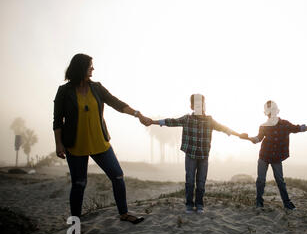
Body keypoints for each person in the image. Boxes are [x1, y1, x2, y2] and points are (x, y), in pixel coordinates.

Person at [53, 53, 148, 224]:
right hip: (76, 145)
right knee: (79, 184)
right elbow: (57, 120)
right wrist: (59, 144)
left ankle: (124, 213)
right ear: (81, 68)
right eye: (90, 65)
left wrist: (137, 114)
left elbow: (115, 102)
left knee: (118, 176)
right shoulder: (64, 91)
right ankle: (75, 224)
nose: (93, 68)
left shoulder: (97, 87)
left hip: (100, 142)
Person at [143, 94, 247, 214]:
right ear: (192, 106)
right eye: (197, 105)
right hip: (191, 155)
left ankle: (199, 205)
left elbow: (224, 128)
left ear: (204, 105)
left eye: (202, 104)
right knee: (190, 181)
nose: (200, 107)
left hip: (203, 156)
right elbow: (171, 121)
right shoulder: (187, 119)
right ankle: (189, 205)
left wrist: (239, 135)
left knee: (201, 182)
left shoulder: (210, 120)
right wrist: (153, 122)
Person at [243, 100, 307, 210]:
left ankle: (287, 203)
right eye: (269, 111)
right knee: (261, 180)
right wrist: (248, 138)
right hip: (264, 156)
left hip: (276, 158)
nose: (270, 113)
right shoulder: (264, 126)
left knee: (280, 180)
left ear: (276, 111)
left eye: (272, 110)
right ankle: (259, 202)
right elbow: (258, 138)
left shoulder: (285, 124)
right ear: (267, 113)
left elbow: (297, 128)